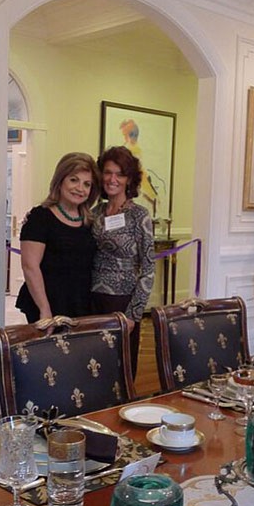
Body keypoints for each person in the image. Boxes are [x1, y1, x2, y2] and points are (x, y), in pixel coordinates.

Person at [91, 146, 155, 376]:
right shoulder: (95, 212)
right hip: (92, 301)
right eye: (107, 172)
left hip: (122, 302)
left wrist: (133, 314)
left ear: (129, 179)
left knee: (121, 370)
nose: (112, 179)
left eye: (119, 174)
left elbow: (148, 269)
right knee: (94, 367)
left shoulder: (139, 216)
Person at [15, 153, 100, 323]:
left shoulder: (90, 221)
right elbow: (30, 266)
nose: (80, 188)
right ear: (60, 181)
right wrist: (44, 310)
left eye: (87, 184)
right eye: (74, 180)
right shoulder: (40, 217)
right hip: (47, 304)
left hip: (81, 304)